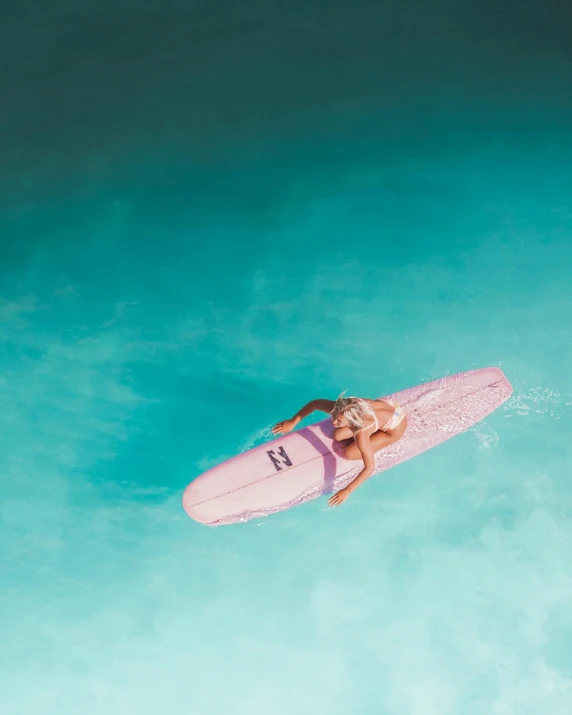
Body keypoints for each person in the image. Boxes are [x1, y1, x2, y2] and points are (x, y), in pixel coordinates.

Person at [272, 394, 407, 507]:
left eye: (339, 421)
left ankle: (376, 434)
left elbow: (369, 467)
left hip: (395, 426)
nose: (334, 422)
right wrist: (292, 421)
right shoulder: (342, 407)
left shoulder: (362, 432)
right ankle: (366, 429)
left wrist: (348, 490)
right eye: (335, 416)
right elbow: (314, 403)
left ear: (353, 422)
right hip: (385, 407)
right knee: (337, 435)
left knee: (349, 453)